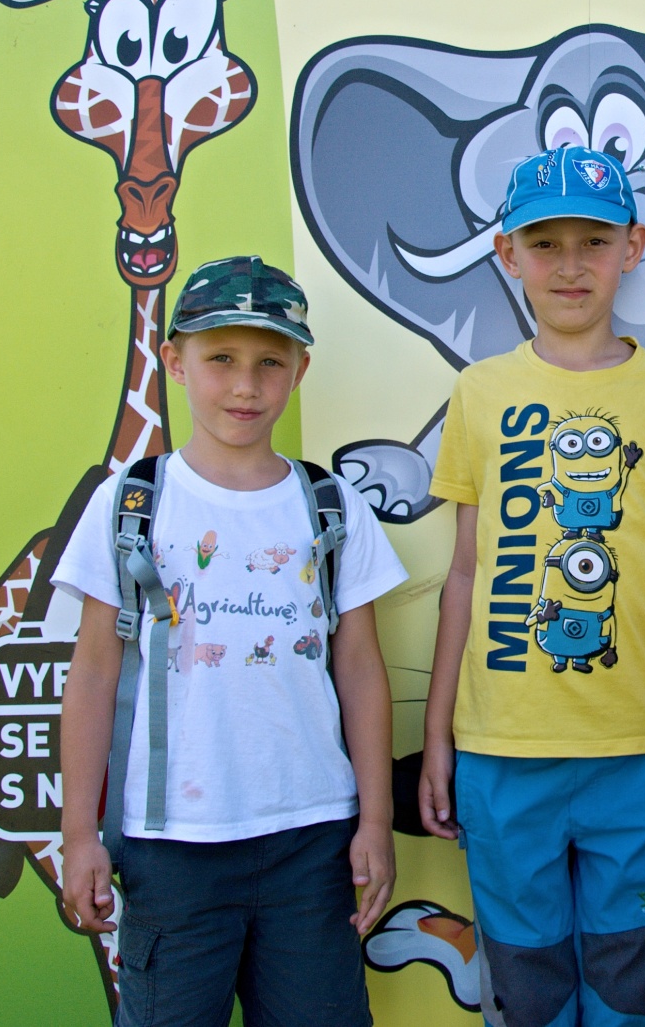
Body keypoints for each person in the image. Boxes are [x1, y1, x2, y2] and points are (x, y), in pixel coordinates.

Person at [417, 146, 645, 1027]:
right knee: (531, 994)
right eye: (543, 243)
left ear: (632, 247)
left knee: (635, 994)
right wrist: (438, 734)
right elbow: (465, 572)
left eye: (592, 241)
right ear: (507, 254)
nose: (568, 265)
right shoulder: (480, 392)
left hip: (644, 748)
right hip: (502, 750)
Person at [55, 257, 408, 1027]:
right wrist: (79, 832)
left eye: (269, 362)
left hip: (312, 839)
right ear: (175, 360)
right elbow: (92, 674)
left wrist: (375, 821)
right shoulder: (132, 503)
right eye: (221, 357)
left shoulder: (331, 505)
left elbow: (360, 670)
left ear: (299, 369)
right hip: (171, 848)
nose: (245, 386)